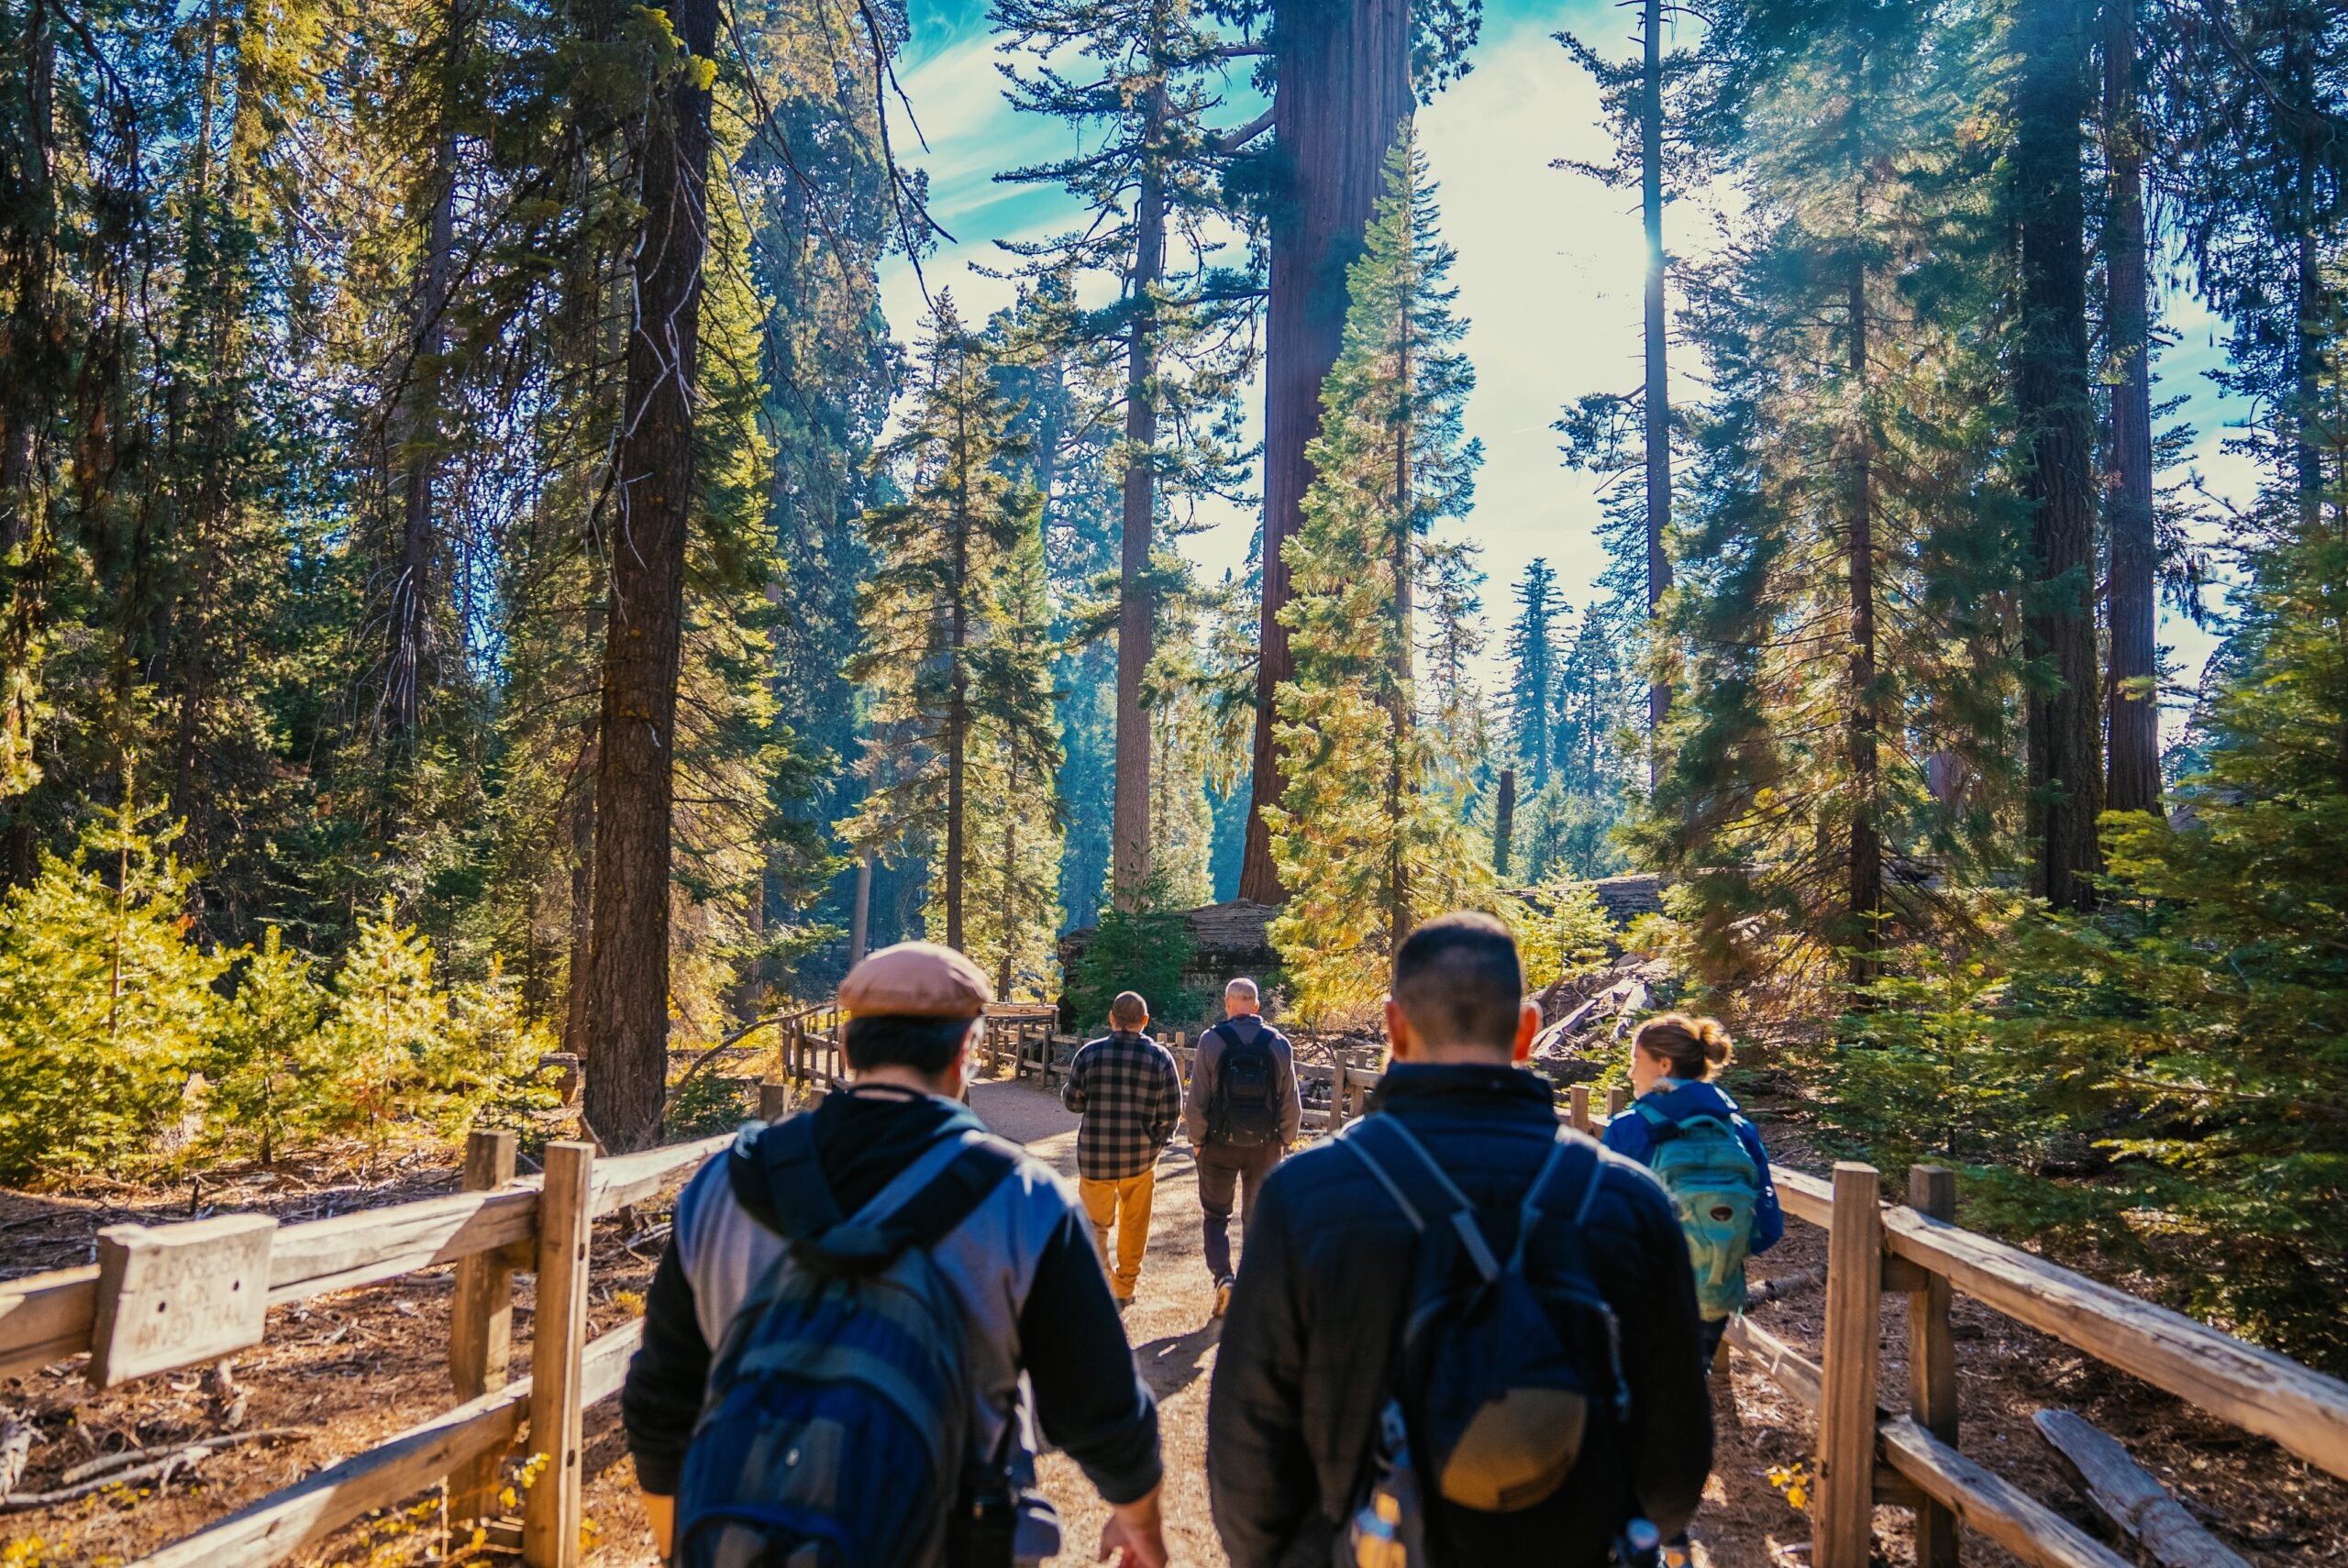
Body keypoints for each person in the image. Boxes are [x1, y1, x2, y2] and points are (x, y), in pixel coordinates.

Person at [621, 941, 1168, 1568]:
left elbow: (660, 1400)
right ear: (968, 1051)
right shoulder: (1025, 1200)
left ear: (848, 1051)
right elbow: (1099, 1406)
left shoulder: (725, 1186)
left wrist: (677, 1545)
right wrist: (1140, 1518)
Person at [1205, 912, 1712, 1567]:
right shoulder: (1630, 1205)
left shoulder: (1307, 1198)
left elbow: (1247, 1454)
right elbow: (1673, 1473)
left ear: (1394, 1027)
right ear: (1528, 1030)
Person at [1600, 1012, 1784, 1370]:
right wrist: (1717, 1249)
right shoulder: (1739, 1129)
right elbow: (1768, 1226)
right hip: (1711, 1303)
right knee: (1684, 1397)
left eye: (1637, 1061)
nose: (1631, 1073)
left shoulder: (1628, 1128)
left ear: (1664, 1065)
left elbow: (1604, 1223)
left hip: (1642, 1299)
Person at [1184, 977, 1301, 1317]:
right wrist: (1284, 1140)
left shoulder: (1211, 1040)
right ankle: (1251, 1288)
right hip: (1264, 1146)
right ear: (1256, 1006)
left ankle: (1224, 1278)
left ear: (1226, 1004)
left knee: (1216, 1216)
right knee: (1257, 1218)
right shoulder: (1278, 1043)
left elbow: (1197, 1101)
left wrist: (1198, 1141)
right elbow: (1291, 1102)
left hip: (1218, 1145)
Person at [1060, 989, 1184, 1309]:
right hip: (1140, 1159)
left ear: (1111, 1019)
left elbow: (1072, 1102)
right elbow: (1171, 1112)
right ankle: (1125, 1286)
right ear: (1144, 1021)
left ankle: (1100, 1281)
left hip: (1095, 1156)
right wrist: (1158, 1140)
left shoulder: (1089, 1055)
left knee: (1095, 1225)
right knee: (1134, 1224)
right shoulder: (1160, 1058)